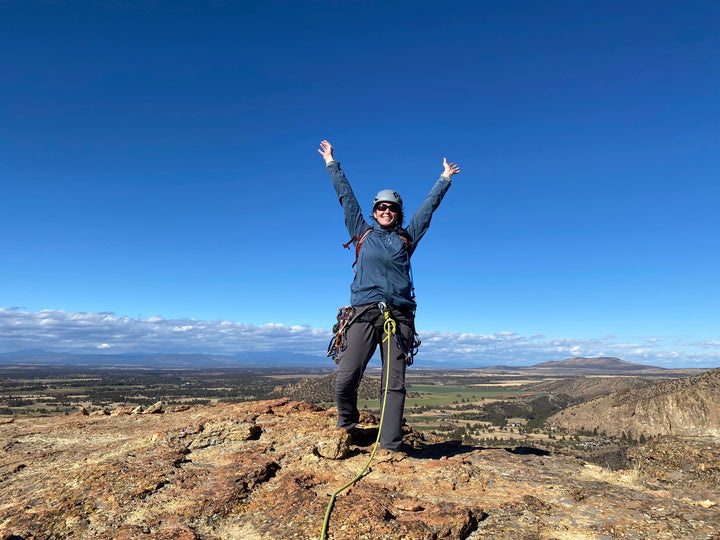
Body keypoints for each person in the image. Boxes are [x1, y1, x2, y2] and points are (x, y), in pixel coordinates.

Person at [318, 139, 460, 452]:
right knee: (346, 376)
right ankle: (347, 421)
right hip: (364, 313)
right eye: (381, 207)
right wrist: (332, 163)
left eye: (392, 208)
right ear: (374, 212)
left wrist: (444, 179)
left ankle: (390, 445)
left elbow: (427, 209)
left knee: (393, 384)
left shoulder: (407, 239)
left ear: (398, 214)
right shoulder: (362, 232)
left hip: (399, 316)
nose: (386, 211)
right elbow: (346, 198)